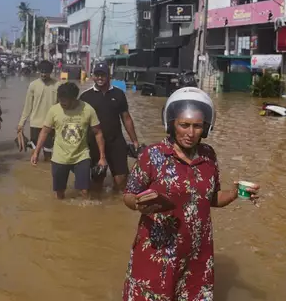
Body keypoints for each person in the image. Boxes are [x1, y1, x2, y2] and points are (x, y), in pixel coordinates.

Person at [122, 87, 260, 300]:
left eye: (197, 126)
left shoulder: (208, 156)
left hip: (196, 253)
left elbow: (211, 198)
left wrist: (235, 193)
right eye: (184, 125)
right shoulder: (153, 155)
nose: (190, 132)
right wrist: (138, 204)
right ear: (171, 124)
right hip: (158, 252)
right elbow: (129, 195)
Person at [32, 82, 107, 199]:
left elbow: (98, 133)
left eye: (65, 100)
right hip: (59, 157)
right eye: (60, 99)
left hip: (81, 156)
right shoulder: (54, 110)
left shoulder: (87, 109)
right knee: (60, 192)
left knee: (85, 191)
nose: (62, 103)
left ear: (74, 98)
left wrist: (102, 157)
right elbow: (44, 132)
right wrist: (36, 152)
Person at [80, 62, 139, 192]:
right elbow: (80, 122)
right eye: (97, 75)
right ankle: (99, 208)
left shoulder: (118, 94)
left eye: (103, 75)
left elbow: (126, 118)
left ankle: (117, 204)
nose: (100, 78)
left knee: (121, 180)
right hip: (94, 143)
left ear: (109, 76)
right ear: (93, 76)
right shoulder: (85, 96)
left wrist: (134, 141)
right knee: (97, 181)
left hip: (116, 141)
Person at [18, 60, 60, 161]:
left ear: (51, 72)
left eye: (46, 72)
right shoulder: (33, 85)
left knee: (48, 154)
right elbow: (28, 106)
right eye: (41, 72)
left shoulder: (58, 85)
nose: (43, 74)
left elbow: (61, 107)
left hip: (51, 124)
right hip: (35, 124)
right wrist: (21, 123)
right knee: (34, 152)